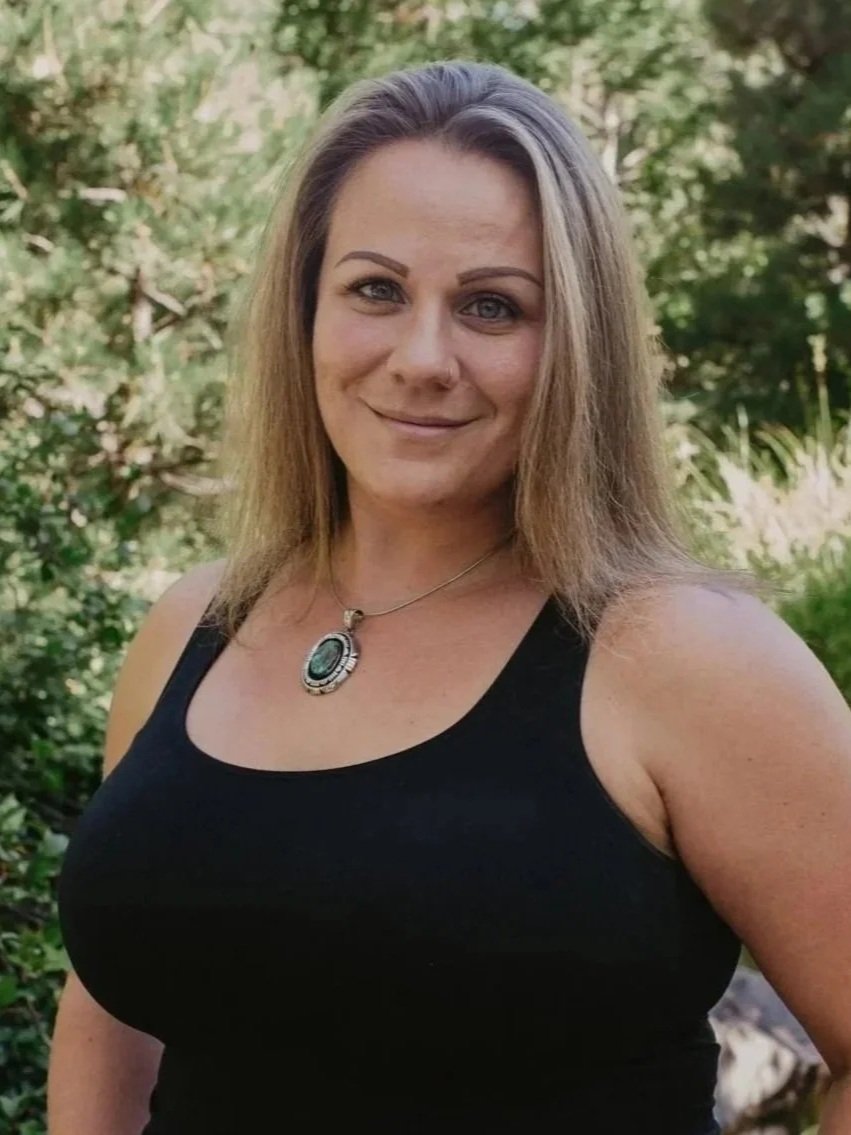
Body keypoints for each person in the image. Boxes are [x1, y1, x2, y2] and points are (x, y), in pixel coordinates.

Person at [48, 59, 851, 1135]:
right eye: (375, 290)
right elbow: (111, 1001)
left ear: (575, 343)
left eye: (490, 306)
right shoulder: (193, 626)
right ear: (304, 310)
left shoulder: (685, 655)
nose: (422, 358)